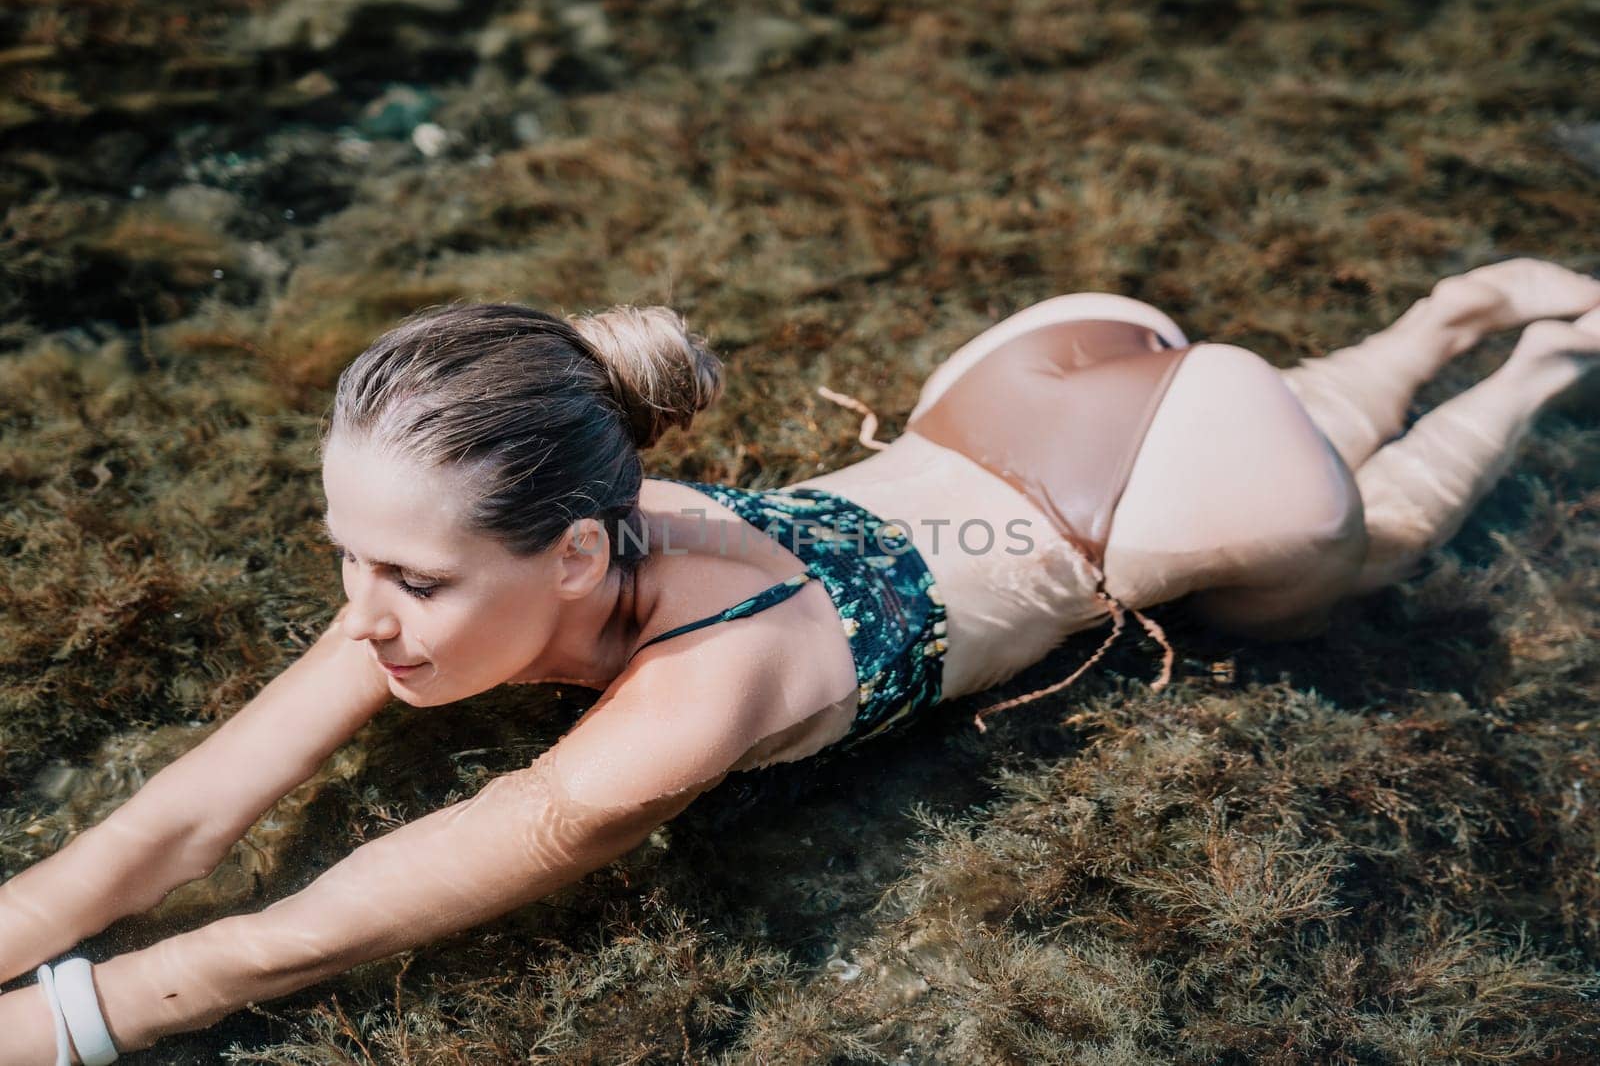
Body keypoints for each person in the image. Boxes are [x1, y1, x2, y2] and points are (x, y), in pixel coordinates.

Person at [1, 257, 1597, 1063]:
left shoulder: (705, 691)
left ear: (571, 551)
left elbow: (286, 938)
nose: (364, 615)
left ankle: (1530, 359)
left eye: (409, 578)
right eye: (346, 551)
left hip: (1160, 494)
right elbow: (189, 810)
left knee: (1362, 556)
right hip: (1022, 379)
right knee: (1315, 402)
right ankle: (1442, 313)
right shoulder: (519, 527)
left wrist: (92, 1018)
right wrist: (25, 925)